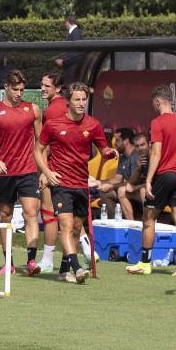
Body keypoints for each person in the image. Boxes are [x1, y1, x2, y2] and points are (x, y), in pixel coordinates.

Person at [35, 82, 114, 283]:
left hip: (81, 183)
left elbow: (103, 149)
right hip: (60, 182)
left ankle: (63, 271)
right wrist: (47, 171)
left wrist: (110, 153)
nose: (81, 103)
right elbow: (38, 150)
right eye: (77, 99)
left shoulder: (93, 124)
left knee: (77, 230)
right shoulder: (53, 125)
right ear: (67, 102)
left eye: (84, 99)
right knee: (66, 225)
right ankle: (77, 268)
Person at [0, 70, 42, 275]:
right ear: (6, 87)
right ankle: (9, 264)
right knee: (5, 215)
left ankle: (32, 261)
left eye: (22, 90)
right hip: (6, 172)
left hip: (28, 171)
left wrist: (43, 169)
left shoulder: (33, 110)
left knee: (31, 213)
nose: (18, 93)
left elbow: (41, 143)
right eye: (15, 89)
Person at [126, 86, 176, 278]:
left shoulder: (158, 122)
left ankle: (145, 264)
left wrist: (148, 180)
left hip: (164, 175)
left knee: (149, 219)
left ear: (158, 102)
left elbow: (156, 152)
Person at [37, 72, 68, 273]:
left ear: (58, 88)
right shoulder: (66, 106)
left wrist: (45, 171)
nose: (43, 88)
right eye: (42, 84)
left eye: (47, 85)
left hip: (56, 168)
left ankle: (47, 261)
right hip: (70, 167)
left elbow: (48, 143)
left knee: (49, 213)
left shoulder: (52, 110)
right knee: (69, 216)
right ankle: (85, 247)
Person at [54, 14, 85, 80]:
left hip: (73, 69)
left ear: (67, 22)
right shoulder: (75, 32)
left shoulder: (75, 33)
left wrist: (63, 61)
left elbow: (77, 53)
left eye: (65, 23)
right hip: (71, 68)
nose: (65, 25)